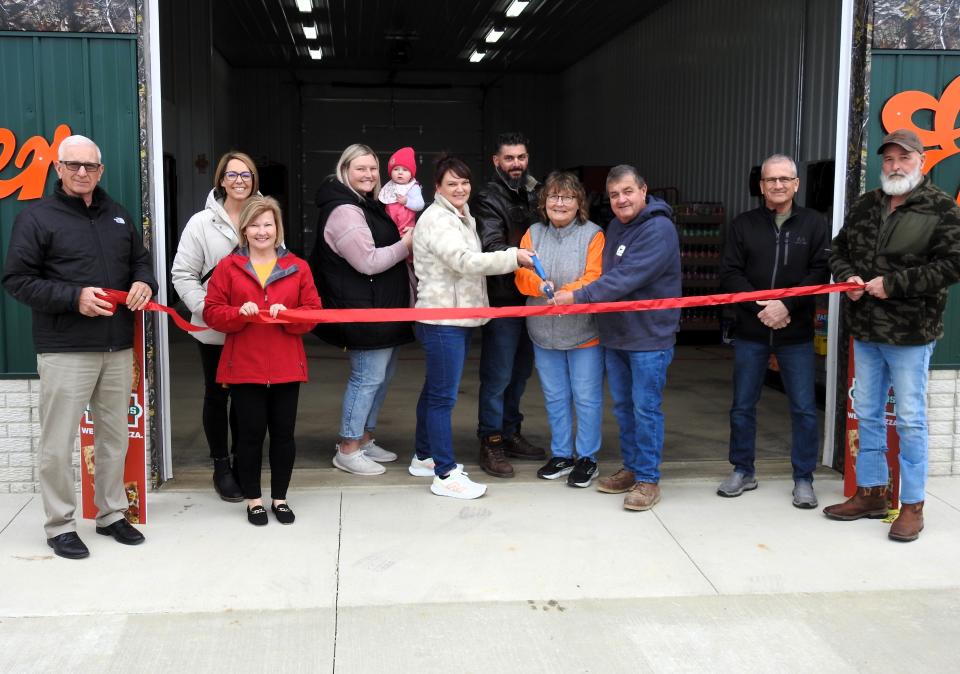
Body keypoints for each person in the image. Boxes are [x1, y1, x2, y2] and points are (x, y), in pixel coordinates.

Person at [2, 135, 157, 559]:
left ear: (101, 170)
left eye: (90, 166)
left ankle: (110, 515)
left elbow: (140, 261)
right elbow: (17, 280)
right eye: (73, 165)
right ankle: (59, 525)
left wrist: (144, 281)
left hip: (116, 347)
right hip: (66, 348)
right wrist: (74, 298)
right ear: (58, 168)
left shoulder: (119, 216)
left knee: (114, 439)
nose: (82, 172)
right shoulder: (36, 218)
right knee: (57, 442)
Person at [824, 129, 960, 542]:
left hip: (910, 334)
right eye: (888, 159)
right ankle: (872, 492)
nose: (895, 166)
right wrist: (847, 276)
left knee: (911, 419)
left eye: (903, 158)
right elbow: (837, 249)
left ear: (920, 160)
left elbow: (953, 264)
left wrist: (893, 284)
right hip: (865, 329)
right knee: (866, 411)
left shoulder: (940, 208)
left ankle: (913, 504)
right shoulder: (868, 203)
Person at [554, 165, 681, 511]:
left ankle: (648, 480)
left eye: (627, 191)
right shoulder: (615, 227)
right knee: (624, 408)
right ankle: (632, 468)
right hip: (617, 334)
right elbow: (607, 274)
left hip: (649, 337)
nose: (621, 200)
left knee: (646, 408)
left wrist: (577, 297)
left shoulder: (659, 229)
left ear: (643, 190)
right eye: (613, 195)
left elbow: (626, 278)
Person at [412, 154, 535, 499]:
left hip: (456, 317)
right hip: (443, 320)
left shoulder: (459, 215)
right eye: (452, 183)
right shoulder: (439, 220)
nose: (460, 188)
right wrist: (514, 257)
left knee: (433, 392)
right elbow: (464, 262)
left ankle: (424, 456)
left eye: (465, 182)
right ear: (437, 187)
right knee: (442, 398)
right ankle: (445, 473)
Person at [717, 154, 830, 508]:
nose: (777, 185)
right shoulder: (743, 224)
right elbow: (731, 273)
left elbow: (820, 272)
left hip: (795, 333)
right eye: (770, 180)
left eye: (784, 179)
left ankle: (803, 478)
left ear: (796, 184)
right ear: (761, 185)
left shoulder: (814, 223)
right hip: (752, 330)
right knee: (742, 406)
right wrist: (763, 308)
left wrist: (787, 306)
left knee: (803, 408)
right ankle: (743, 469)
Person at [203, 196, 321, 526]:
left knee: (284, 435)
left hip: (286, 367)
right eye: (254, 224)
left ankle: (280, 499)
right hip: (245, 367)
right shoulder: (229, 266)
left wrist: (290, 316)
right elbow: (212, 310)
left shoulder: (297, 267)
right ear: (244, 229)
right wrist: (237, 314)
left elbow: (313, 313)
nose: (261, 231)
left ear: (277, 227)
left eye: (268, 224)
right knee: (249, 436)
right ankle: (254, 500)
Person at [310, 144, 414, 476]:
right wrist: (407, 244)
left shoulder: (365, 203)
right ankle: (348, 447)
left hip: (384, 309)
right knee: (366, 378)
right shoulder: (344, 210)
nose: (368, 174)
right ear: (344, 170)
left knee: (381, 378)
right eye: (360, 168)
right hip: (363, 310)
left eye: (373, 168)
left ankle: (365, 438)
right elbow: (367, 261)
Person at [171, 151, 260, 502]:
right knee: (217, 394)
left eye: (247, 174)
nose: (240, 180)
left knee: (247, 397)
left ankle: (243, 461)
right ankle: (221, 466)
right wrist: (204, 309)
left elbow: (279, 266)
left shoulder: (265, 216)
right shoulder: (201, 223)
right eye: (232, 174)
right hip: (215, 327)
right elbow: (183, 274)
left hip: (254, 327)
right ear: (221, 180)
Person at [514, 172, 605, 487]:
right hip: (542, 331)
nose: (560, 202)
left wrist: (569, 292)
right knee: (555, 396)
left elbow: (595, 276)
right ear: (544, 202)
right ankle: (562, 454)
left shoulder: (594, 235)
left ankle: (588, 458)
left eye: (567, 197)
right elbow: (520, 275)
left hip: (583, 333)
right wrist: (539, 284)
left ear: (579, 202)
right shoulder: (532, 233)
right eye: (553, 196)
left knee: (586, 397)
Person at [473, 131, 545, 478]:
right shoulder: (488, 197)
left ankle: (512, 432)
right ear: (496, 161)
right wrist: (524, 256)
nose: (516, 164)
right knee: (498, 375)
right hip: (503, 298)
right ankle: (491, 440)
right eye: (509, 158)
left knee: (519, 373)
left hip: (531, 297)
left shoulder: (536, 191)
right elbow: (491, 245)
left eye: (521, 157)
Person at [378, 146, 424, 234]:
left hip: (406, 228)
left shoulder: (413, 187)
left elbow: (420, 205)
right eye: (396, 169)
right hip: (389, 227)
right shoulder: (389, 186)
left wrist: (407, 201)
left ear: (411, 174)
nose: (400, 172)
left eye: (405, 170)